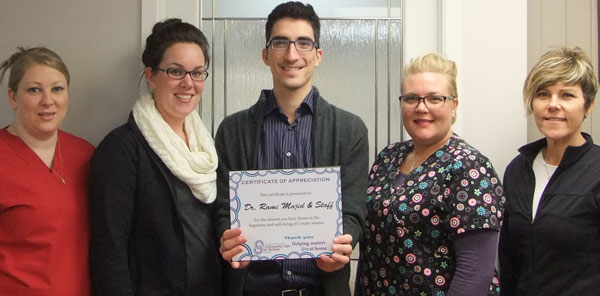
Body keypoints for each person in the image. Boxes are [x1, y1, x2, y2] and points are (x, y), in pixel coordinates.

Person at [215, 2, 369, 295]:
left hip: (320, 288)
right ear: (266, 54)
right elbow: (224, 209)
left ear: (318, 55)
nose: (292, 54)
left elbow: (352, 212)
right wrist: (228, 239)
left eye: (303, 43)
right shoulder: (232, 131)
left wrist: (343, 242)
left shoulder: (350, 130)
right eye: (280, 42)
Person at [88, 19, 222, 295]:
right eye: (175, 71)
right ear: (151, 76)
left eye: (197, 73)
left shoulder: (206, 148)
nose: (189, 83)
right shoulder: (121, 150)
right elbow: (109, 252)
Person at [356, 53, 505, 296]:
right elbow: (371, 250)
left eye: (435, 99)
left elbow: (475, 273)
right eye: (411, 98)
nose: (421, 107)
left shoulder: (468, 166)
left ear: (453, 106)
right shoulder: (388, 158)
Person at [499, 47, 600, 295]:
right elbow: (509, 261)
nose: (553, 105)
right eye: (543, 94)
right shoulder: (517, 169)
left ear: (588, 105)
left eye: (567, 95)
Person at [0, 47, 94, 295]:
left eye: (57, 89)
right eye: (34, 90)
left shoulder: (86, 155)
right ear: (13, 97)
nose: (48, 101)